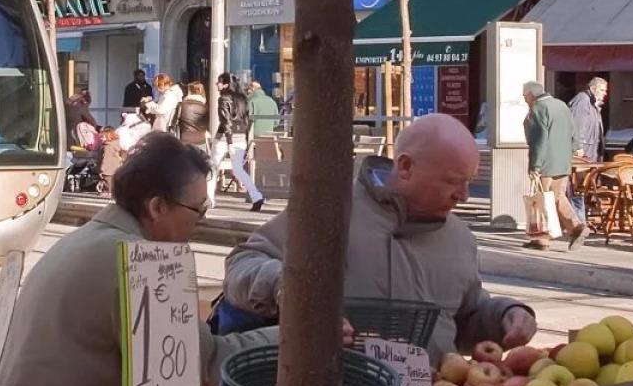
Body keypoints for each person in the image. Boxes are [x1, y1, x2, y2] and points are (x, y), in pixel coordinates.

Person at [0, 133, 275, 386]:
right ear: (157, 207)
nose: (200, 222)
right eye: (198, 210)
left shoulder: (86, 239)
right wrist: (292, 339)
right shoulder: (145, 261)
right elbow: (203, 370)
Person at [222, 113, 538, 365]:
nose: (464, 196)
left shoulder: (460, 239)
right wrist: (289, 286)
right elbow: (242, 264)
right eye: (453, 181)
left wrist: (505, 316)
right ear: (406, 166)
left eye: (468, 182)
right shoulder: (328, 212)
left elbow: (463, 318)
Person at [523, 82, 588, 250]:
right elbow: (573, 132)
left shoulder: (538, 109)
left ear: (531, 95)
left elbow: (539, 140)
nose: (525, 100)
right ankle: (577, 227)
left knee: (542, 198)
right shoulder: (562, 105)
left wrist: (535, 165)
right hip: (563, 161)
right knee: (557, 196)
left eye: (525, 96)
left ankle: (542, 238)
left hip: (545, 163)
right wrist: (573, 151)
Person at [217, 74, 265, 212]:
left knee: (212, 166)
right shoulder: (243, 98)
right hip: (240, 135)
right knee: (238, 169)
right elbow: (247, 120)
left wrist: (229, 141)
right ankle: (256, 196)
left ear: (226, 84)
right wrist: (245, 137)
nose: (217, 84)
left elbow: (226, 120)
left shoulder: (223, 99)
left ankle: (207, 200)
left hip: (224, 136)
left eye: (219, 82)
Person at [569, 78, 608, 162]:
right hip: (584, 152)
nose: (605, 93)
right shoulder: (583, 100)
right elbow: (577, 125)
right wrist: (578, 147)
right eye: (602, 90)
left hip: (591, 151)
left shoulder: (592, 104)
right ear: (592, 89)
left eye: (605, 91)